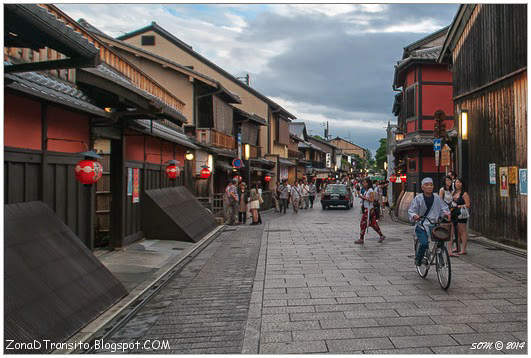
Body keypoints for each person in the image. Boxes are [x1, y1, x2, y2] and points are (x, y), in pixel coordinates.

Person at [408, 177, 451, 266]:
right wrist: (415, 216)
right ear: (422, 187)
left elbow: (444, 208)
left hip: (434, 224)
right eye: (426, 185)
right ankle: (418, 259)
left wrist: (446, 213)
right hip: (422, 224)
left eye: (431, 185)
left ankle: (440, 257)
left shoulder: (437, 197)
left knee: (441, 240)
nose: (429, 187)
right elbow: (411, 211)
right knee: (424, 243)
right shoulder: (418, 198)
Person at [355, 178, 385, 244]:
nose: (363, 184)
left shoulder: (370, 190)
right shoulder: (367, 190)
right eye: (363, 182)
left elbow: (371, 200)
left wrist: (362, 197)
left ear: (368, 183)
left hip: (368, 210)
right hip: (368, 209)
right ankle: (381, 235)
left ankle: (361, 238)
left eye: (365, 182)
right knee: (373, 224)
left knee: (363, 223)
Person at [439, 176, 458, 256]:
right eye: (447, 180)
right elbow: (440, 201)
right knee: (443, 231)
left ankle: (450, 251)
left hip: (452, 211)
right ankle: (441, 248)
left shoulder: (452, 191)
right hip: (445, 212)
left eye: (450, 180)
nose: (449, 182)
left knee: (451, 232)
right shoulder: (442, 190)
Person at [452, 178, 471, 255]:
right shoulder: (453, 193)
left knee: (462, 231)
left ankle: (463, 249)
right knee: (457, 232)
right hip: (455, 213)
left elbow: (468, 205)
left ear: (462, 184)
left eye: (459, 182)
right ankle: (458, 247)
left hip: (462, 214)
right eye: (456, 182)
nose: (458, 184)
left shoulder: (464, 194)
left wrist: (459, 206)